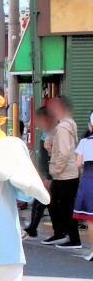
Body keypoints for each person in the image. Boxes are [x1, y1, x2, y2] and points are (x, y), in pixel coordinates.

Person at [45, 97, 81, 248]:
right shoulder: (70, 124)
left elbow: (65, 153)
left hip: (64, 174)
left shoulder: (62, 128)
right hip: (69, 173)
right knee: (58, 203)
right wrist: (49, 149)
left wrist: (55, 170)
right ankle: (63, 234)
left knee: (60, 204)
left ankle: (72, 239)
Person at [23, 107, 53, 238]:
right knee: (45, 202)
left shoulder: (52, 133)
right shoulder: (46, 132)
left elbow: (51, 157)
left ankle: (33, 228)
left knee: (40, 201)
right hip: (45, 174)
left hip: (49, 174)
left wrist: (49, 176)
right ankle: (33, 228)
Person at [73, 112, 93, 261]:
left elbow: (78, 163)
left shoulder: (85, 142)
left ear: (90, 126)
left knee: (91, 220)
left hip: (89, 180)